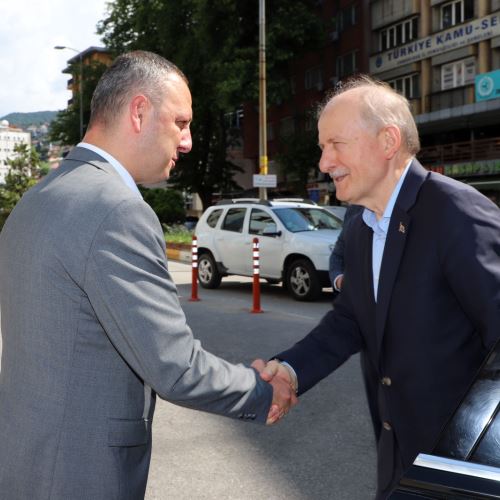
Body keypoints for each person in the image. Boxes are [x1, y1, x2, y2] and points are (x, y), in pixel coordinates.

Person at [0, 51, 296, 499]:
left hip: (26, 463)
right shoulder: (117, 211)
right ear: (139, 111)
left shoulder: (37, 199)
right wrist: (260, 391)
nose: (188, 141)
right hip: (81, 476)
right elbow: (175, 367)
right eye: (181, 122)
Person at [254, 75, 500, 499]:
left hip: (460, 469)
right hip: (397, 458)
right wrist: (291, 371)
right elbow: (350, 319)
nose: (324, 162)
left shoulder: (456, 213)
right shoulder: (362, 226)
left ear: (388, 141)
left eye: (335, 144)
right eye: (322, 147)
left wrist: (460, 461)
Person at [328, 203, 362, 291]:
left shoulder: (397, 210)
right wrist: (339, 280)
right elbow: (337, 255)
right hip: (355, 298)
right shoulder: (353, 210)